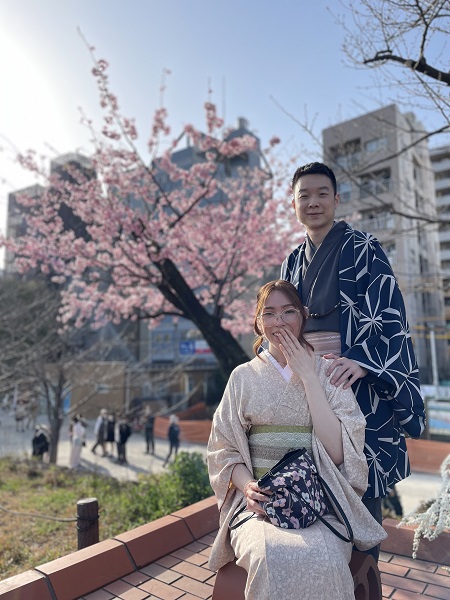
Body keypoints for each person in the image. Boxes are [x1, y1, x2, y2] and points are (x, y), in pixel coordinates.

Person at [280, 162, 426, 560]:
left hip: (356, 384)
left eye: (321, 194)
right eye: (303, 195)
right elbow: (279, 322)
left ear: (336, 200)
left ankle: (366, 580)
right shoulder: (292, 262)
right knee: (315, 492)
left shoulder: (365, 248)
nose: (313, 202)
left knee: (361, 495)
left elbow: (390, 316)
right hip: (309, 387)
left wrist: (363, 362)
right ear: (293, 204)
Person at [207, 280, 386, 600]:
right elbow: (224, 448)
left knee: (328, 559)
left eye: (289, 311)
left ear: (303, 315)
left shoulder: (328, 371)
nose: (280, 321)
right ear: (258, 321)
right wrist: (247, 486)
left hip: (319, 500)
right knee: (267, 554)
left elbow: (339, 453)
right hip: (260, 503)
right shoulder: (242, 377)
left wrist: (309, 377)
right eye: (270, 313)